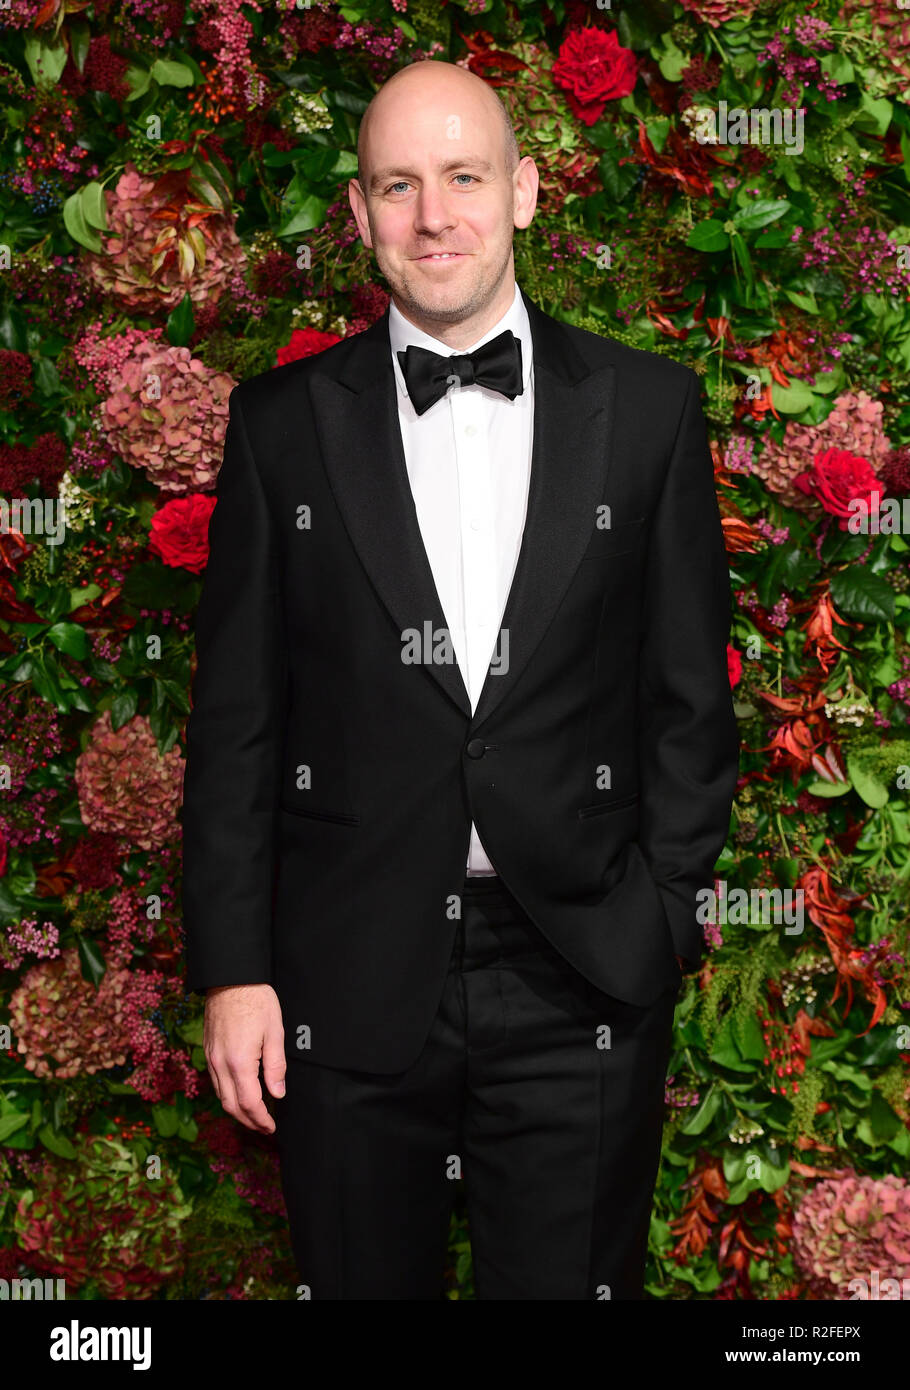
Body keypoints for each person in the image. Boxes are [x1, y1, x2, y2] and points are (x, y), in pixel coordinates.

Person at [181, 57, 740, 1300]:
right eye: (397, 184)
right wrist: (233, 969)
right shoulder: (279, 425)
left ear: (526, 191)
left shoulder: (649, 412)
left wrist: (656, 919)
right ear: (360, 213)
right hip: (342, 982)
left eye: (463, 177)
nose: (432, 216)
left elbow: (688, 702)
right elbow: (235, 725)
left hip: (578, 970)